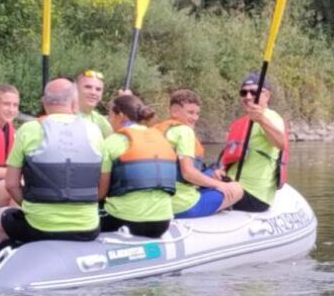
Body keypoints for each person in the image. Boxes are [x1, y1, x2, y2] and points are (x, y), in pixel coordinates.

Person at [0, 78, 105, 244]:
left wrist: (29, 205)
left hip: (38, 227)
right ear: (75, 103)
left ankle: (13, 256)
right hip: (87, 228)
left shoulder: (28, 129)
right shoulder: (95, 131)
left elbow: (11, 184)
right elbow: (101, 183)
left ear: (44, 103)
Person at [153, 88, 243, 217]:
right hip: (181, 205)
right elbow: (188, 173)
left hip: (157, 203)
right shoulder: (185, 132)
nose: (195, 118)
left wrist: (210, 176)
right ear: (174, 111)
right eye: (190, 112)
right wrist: (220, 185)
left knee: (211, 176)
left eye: (197, 113)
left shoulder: (156, 130)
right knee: (236, 188)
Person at [101, 93, 177, 238]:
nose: (109, 121)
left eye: (110, 116)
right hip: (162, 223)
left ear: (121, 116)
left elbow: (101, 193)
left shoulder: (111, 142)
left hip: (126, 221)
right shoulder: (161, 138)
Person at [220, 72, 288, 213]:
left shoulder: (270, 117)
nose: (248, 97)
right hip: (232, 184)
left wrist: (261, 119)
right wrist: (218, 169)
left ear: (267, 95)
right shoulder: (242, 122)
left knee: (204, 197)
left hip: (253, 195)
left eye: (253, 92)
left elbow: (281, 143)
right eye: (244, 93)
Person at [75, 69, 114, 138]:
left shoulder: (102, 122)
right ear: (75, 89)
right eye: (88, 87)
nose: (93, 92)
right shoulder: (66, 116)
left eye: (98, 89)